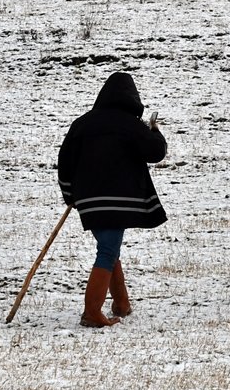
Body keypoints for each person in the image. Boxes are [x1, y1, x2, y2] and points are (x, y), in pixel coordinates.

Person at [57, 72, 167, 327]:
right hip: (119, 200)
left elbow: (64, 161)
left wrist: (70, 195)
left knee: (109, 247)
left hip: (88, 200)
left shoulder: (81, 124)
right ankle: (92, 312)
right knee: (108, 249)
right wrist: (155, 132)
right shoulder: (131, 124)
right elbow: (155, 153)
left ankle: (121, 303)